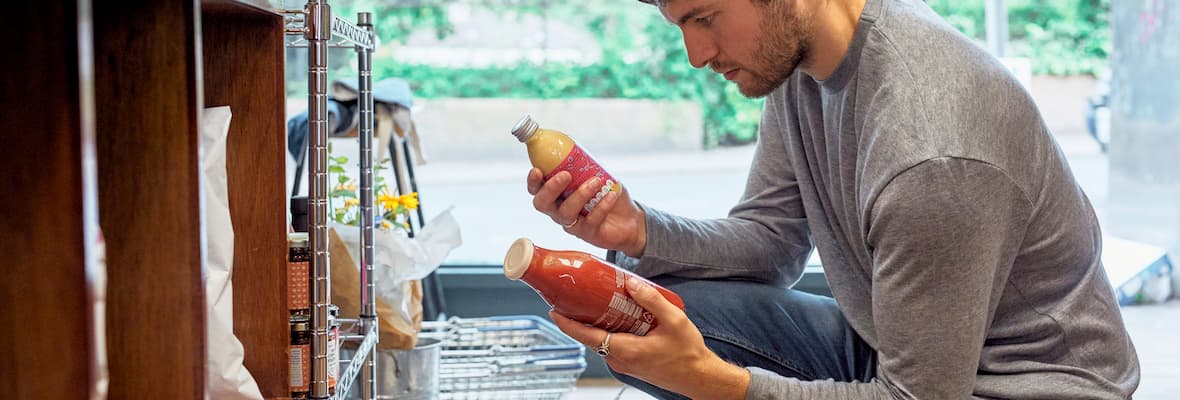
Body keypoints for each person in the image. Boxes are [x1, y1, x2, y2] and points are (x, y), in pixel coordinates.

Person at [524, 0, 1140, 398]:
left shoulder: (931, 151)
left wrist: (715, 384)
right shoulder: (799, 63)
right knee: (658, 316)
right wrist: (636, 230)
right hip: (903, 353)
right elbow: (771, 244)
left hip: (1019, 387)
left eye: (704, 16)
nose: (696, 55)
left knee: (686, 365)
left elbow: (916, 398)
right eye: (680, 23)